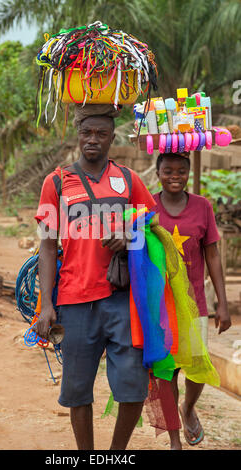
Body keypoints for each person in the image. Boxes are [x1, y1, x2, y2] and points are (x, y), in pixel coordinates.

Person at [33, 104, 156, 450]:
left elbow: (153, 227)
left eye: (101, 134)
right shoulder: (56, 182)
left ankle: (116, 454)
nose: (93, 140)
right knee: (76, 390)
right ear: (78, 134)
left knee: (133, 386)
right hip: (73, 300)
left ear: (112, 138)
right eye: (87, 133)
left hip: (121, 299)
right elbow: (46, 243)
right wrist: (46, 305)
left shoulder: (128, 180)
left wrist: (130, 235)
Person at [153, 151, 231, 449]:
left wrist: (221, 303)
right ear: (158, 173)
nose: (175, 175)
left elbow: (212, 254)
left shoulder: (202, 207)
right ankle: (175, 437)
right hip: (159, 305)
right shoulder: (148, 205)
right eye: (168, 170)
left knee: (197, 366)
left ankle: (187, 407)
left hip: (194, 301)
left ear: (188, 173)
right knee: (167, 371)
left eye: (181, 171)